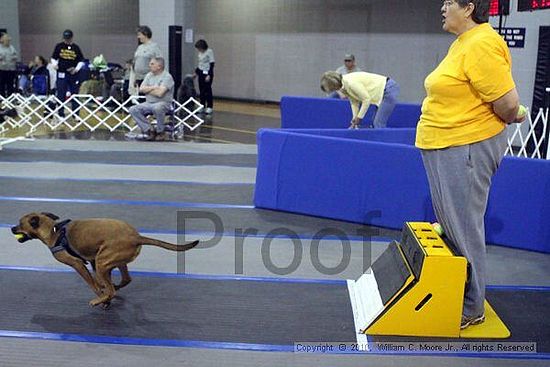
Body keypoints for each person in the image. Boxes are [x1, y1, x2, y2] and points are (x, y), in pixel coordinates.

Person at [415, 0, 525, 330]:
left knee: (464, 227)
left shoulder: (482, 43)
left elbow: (508, 104)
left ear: (469, 7)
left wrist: (511, 116)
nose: (442, 8)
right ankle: (459, 293)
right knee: (453, 225)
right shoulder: (463, 43)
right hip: (446, 143)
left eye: (449, 2)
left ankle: (472, 305)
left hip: (466, 146)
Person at [320, 70, 400, 128]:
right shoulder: (344, 87)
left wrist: (359, 117)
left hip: (388, 89)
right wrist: (355, 118)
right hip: (380, 92)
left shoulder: (351, 83)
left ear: (333, 85)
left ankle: (384, 147)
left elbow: (366, 99)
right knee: (375, 124)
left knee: (378, 123)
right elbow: (354, 101)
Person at [128, 57, 174, 141]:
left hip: (163, 102)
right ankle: (149, 130)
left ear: (159, 66)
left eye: (152, 64)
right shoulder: (149, 75)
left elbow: (160, 93)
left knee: (158, 108)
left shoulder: (167, 77)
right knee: (133, 109)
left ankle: (161, 131)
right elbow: (141, 89)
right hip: (149, 102)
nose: (149, 65)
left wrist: (148, 90)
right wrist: (154, 87)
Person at [51, 29, 85, 117]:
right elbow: (53, 58)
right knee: (61, 94)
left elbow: (81, 60)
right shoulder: (59, 46)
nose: (67, 40)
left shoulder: (76, 48)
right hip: (62, 73)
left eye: (68, 38)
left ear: (71, 38)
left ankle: (76, 114)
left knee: (74, 94)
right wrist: (55, 65)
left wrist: (76, 69)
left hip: (73, 74)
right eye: (65, 38)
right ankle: (61, 114)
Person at [194, 39, 215, 114]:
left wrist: (209, 75)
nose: (198, 50)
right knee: (201, 90)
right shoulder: (200, 53)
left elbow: (212, 64)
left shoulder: (209, 51)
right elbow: (200, 64)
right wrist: (196, 73)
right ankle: (202, 106)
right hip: (200, 72)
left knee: (207, 90)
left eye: (199, 48)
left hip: (207, 74)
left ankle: (209, 106)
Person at [0, 32, 19, 98]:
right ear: (1, 39)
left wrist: (14, 58)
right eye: (6, 37)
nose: (9, 39)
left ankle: (10, 98)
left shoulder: (12, 48)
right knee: (1, 85)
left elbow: (15, 56)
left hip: (11, 69)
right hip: (2, 69)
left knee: (10, 85)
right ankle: (2, 99)